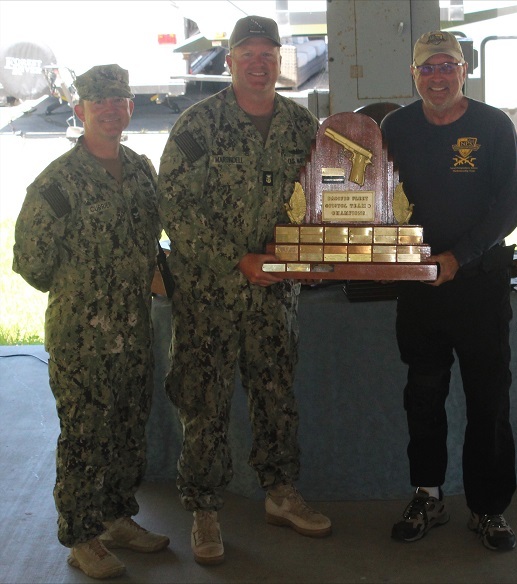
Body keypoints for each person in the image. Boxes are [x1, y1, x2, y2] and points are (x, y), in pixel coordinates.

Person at [157, 15, 331, 565]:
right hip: (210, 295)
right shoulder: (197, 125)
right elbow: (175, 211)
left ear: (281, 63)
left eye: (268, 55)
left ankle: (280, 493)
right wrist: (238, 260)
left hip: (277, 298)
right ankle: (204, 509)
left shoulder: (303, 126)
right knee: (204, 402)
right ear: (229, 62)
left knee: (276, 396)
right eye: (247, 54)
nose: (258, 64)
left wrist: (315, 252)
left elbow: (324, 199)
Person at [12, 64, 169, 579]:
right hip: (83, 335)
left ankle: (116, 517)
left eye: (118, 100)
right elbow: (32, 264)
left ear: (129, 107)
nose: (110, 109)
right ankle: (81, 535)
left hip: (135, 327)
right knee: (85, 434)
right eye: (98, 102)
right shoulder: (57, 183)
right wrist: (88, 284)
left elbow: (155, 240)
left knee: (128, 426)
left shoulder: (142, 169)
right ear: (80, 111)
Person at [380, 31, 517, 551]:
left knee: (488, 400)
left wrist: (456, 258)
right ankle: (427, 494)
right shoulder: (394, 127)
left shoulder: (493, 125)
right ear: (414, 75)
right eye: (428, 68)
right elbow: (376, 199)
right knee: (423, 396)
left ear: (463, 71)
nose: (437, 77)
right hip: (418, 289)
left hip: (480, 287)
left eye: (447, 67)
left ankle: (489, 509)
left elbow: (513, 206)